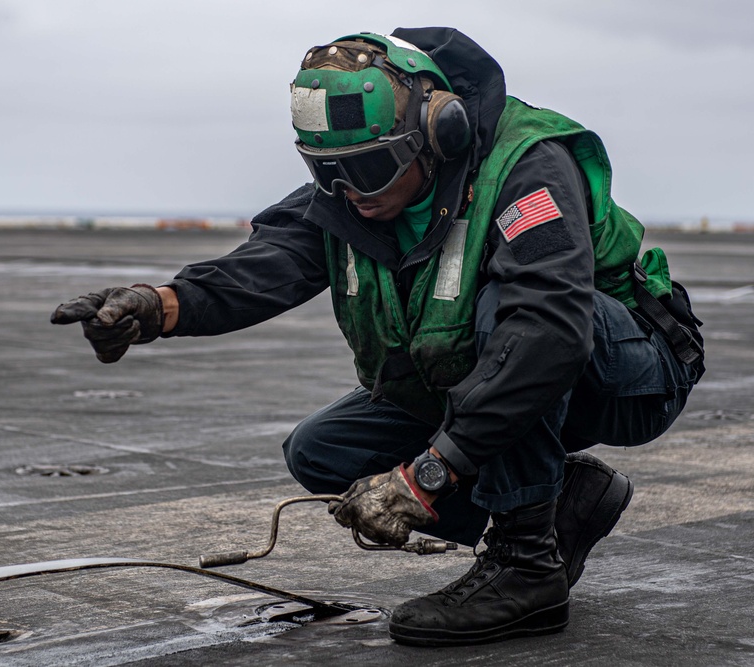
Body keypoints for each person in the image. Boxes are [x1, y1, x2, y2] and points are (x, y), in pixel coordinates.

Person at [51, 28, 704, 646]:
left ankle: (526, 564)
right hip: (485, 367)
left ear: (438, 134)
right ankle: (560, 503)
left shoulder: (526, 165)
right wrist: (159, 305)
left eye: (369, 169)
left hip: (627, 366)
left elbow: (549, 333)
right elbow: (271, 259)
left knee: (504, 314)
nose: (347, 191)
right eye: (326, 170)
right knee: (324, 450)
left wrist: (427, 472)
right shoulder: (353, 189)